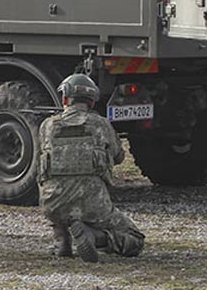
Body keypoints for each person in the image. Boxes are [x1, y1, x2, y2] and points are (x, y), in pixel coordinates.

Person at [38, 74, 145, 263]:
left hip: (53, 206)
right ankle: (96, 238)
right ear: (92, 102)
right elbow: (118, 156)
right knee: (135, 239)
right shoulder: (101, 124)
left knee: (55, 189)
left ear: (65, 99)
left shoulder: (47, 126)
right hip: (94, 206)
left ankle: (61, 241)